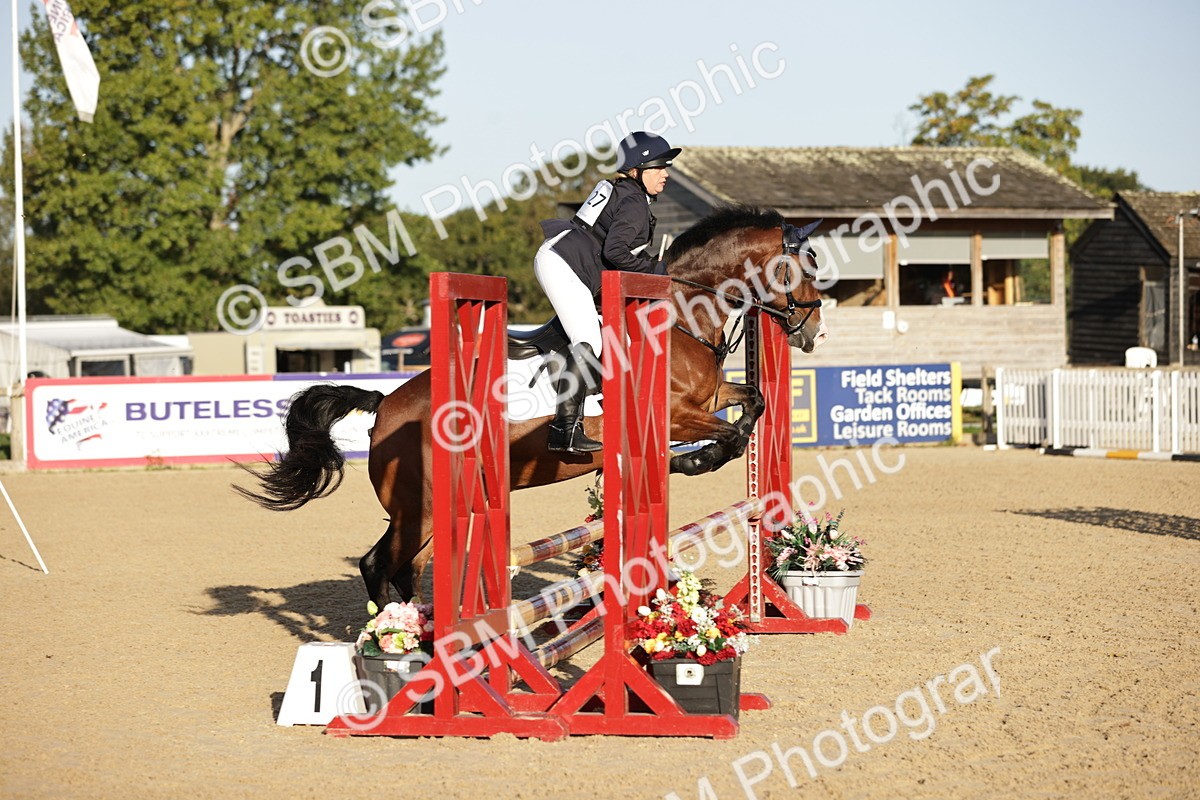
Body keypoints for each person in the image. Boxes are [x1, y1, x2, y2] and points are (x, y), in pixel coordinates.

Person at [533, 131, 680, 453]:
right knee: (590, 339)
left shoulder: (626, 192)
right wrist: (658, 271)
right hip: (565, 265)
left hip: (568, 262)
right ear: (638, 170)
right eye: (659, 167)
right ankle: (565, 430)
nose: (666, 173)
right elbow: (615, 252)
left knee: (601, 332)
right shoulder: (634, 201)